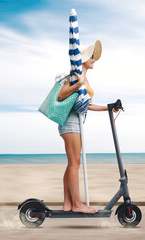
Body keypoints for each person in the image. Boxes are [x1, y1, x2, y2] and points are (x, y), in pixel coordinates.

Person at [57, 40, 117, 213]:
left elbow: (88, 105)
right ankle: (77, 204)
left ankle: (68, 203)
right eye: (91, 56)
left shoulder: (85, 78)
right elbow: (61, 96)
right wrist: (78, 83)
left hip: (77, 122)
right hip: (70, 122)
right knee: (74, 163)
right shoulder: (75, 75)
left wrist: (109, 107)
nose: (94, 60)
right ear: (82, 58)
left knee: (72, 164)